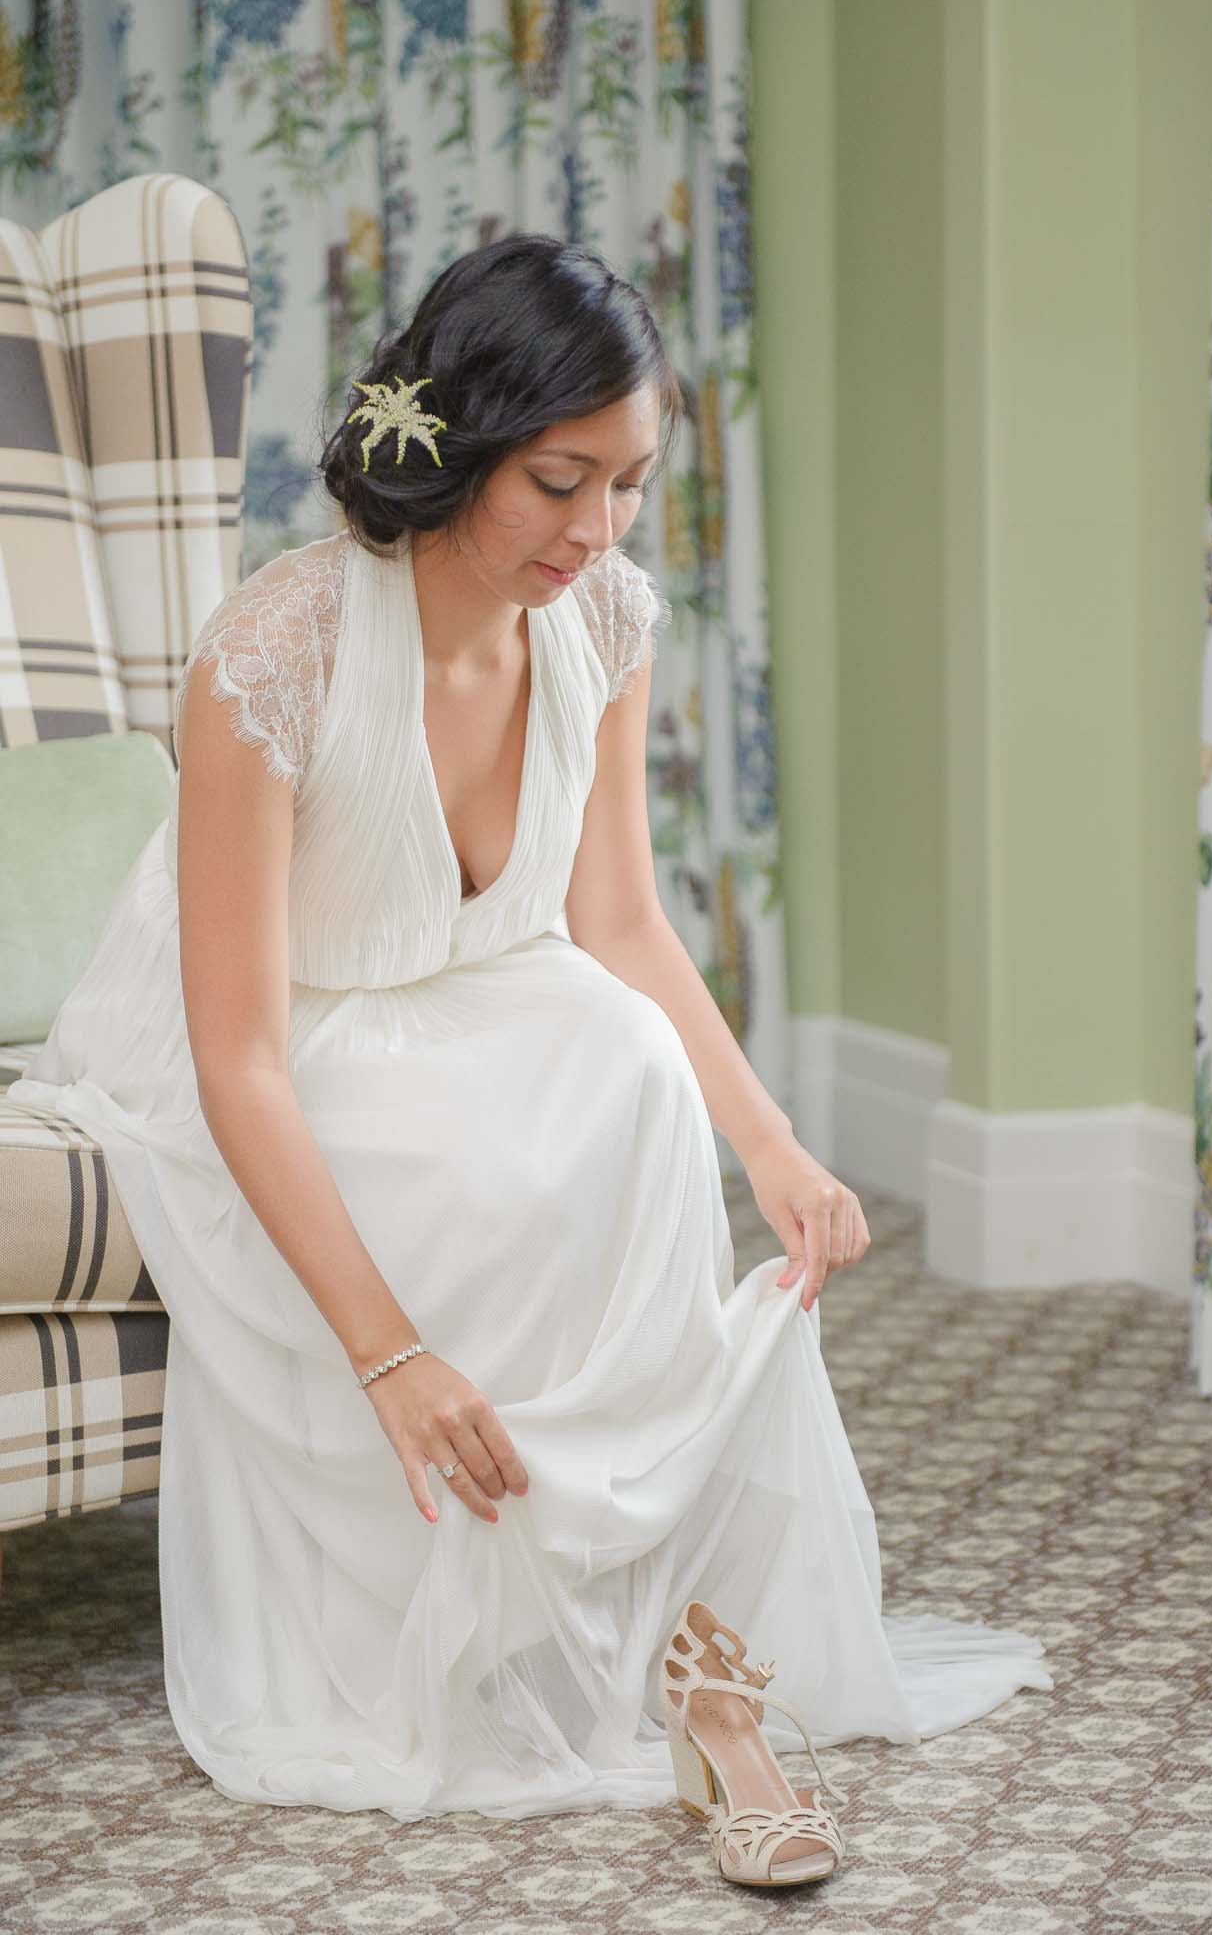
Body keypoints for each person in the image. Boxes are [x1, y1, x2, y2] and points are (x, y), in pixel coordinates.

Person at [7, 233, 1052, 1836]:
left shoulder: (606, 619)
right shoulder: (269, 657)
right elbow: (239, 1063)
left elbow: (619, 923)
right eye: (563, 481)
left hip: (473, 982)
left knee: (624, 1068)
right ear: (460, 440)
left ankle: (633, 1606)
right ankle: (460, 1564)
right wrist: (395, 1356)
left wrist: (769, 1142)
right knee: (457, 1152)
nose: (600, 530)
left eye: (630, 485)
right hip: (276, 1029)